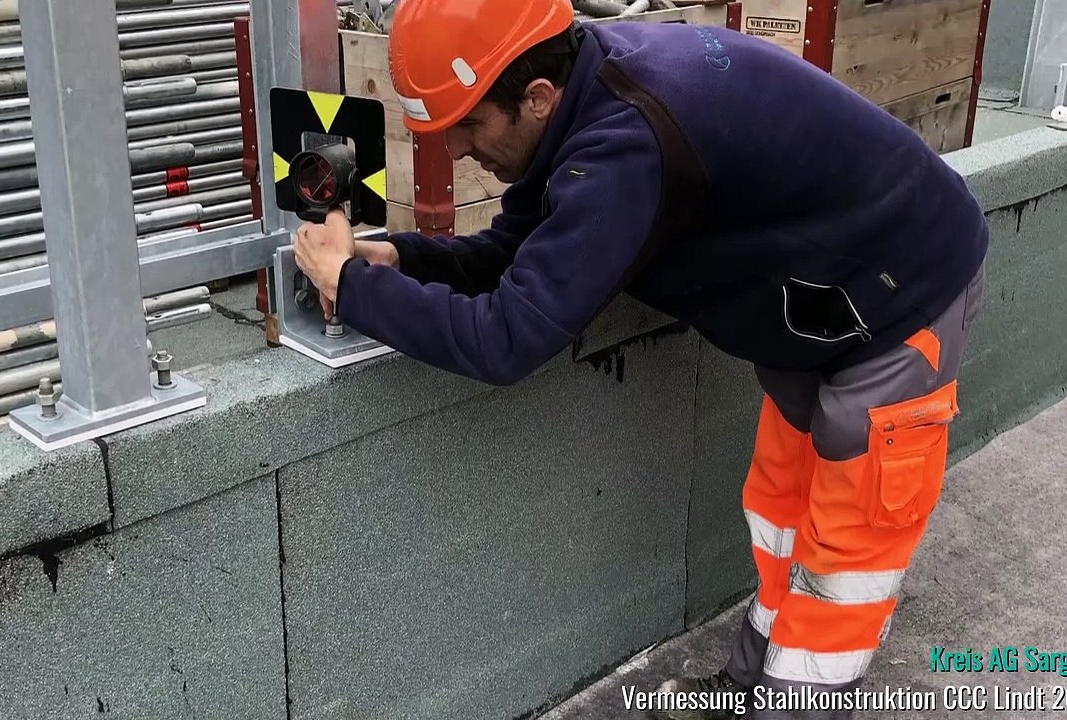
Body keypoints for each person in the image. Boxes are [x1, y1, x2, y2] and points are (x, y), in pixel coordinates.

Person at [293, 0, 988, 717]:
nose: (459, 149)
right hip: (815, 304)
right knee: (784, 507)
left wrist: (351, 289)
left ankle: (797, 700)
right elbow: (517, 255)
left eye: (469, 124)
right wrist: (398, 259)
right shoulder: (581, 91)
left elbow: (507, 338)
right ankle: (749, 684)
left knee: (848, 549)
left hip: (902, 289)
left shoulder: (626, 138)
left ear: (535, 98)